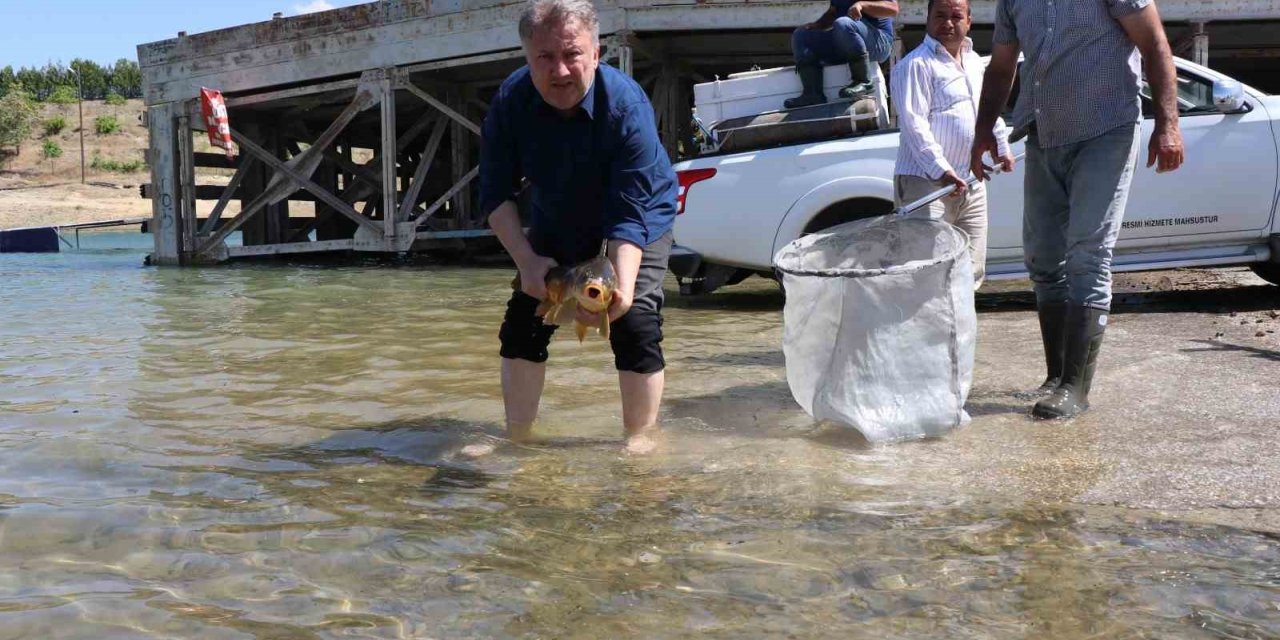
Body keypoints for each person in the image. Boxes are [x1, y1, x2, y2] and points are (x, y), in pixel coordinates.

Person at [480, 0, 678, 454]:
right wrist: (527, 263)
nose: (561, 70)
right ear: (527, 57)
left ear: (596, 53)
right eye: (544, 58)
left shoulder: (626, 106)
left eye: (572, 54)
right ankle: (516, 439)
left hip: (640, 211)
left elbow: (631, 213)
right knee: (523, 323)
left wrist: (622, 287)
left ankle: (640, 439)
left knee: (636, 323)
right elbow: (494, 194)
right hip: (558, 210)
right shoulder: (511, 101)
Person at [971, 0, 1184, 419]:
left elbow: (1155, 43)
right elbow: (1001, 67)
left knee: (1088, 253)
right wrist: (983, 133)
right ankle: (1056, 376)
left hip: (1107, 129)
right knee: (1044, 259)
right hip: (1044, 134)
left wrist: (1168, 123)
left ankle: (1075, 387)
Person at [891, 0, 1013, 289]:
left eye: (956, 16)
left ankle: (961, 334)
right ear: (928, 20)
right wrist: (941, 170)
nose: (948, 23)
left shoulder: (974, 61)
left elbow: (988, 110)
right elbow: (913, 125)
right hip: (926, 184)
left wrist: (1003, 146)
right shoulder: (915, 65)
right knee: (926, 275)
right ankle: (927, 335)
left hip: (971, 182)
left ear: (969, 21)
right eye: (940, 16)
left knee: (969, 273)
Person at [784, 0, 900, 109]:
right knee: (801, 34)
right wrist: (817, 25)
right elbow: (833, 12)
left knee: (843, 23)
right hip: (847, 39)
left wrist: (862, 5)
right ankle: (812, 94)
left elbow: (892, 9)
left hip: (879, 42)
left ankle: (863, 82)